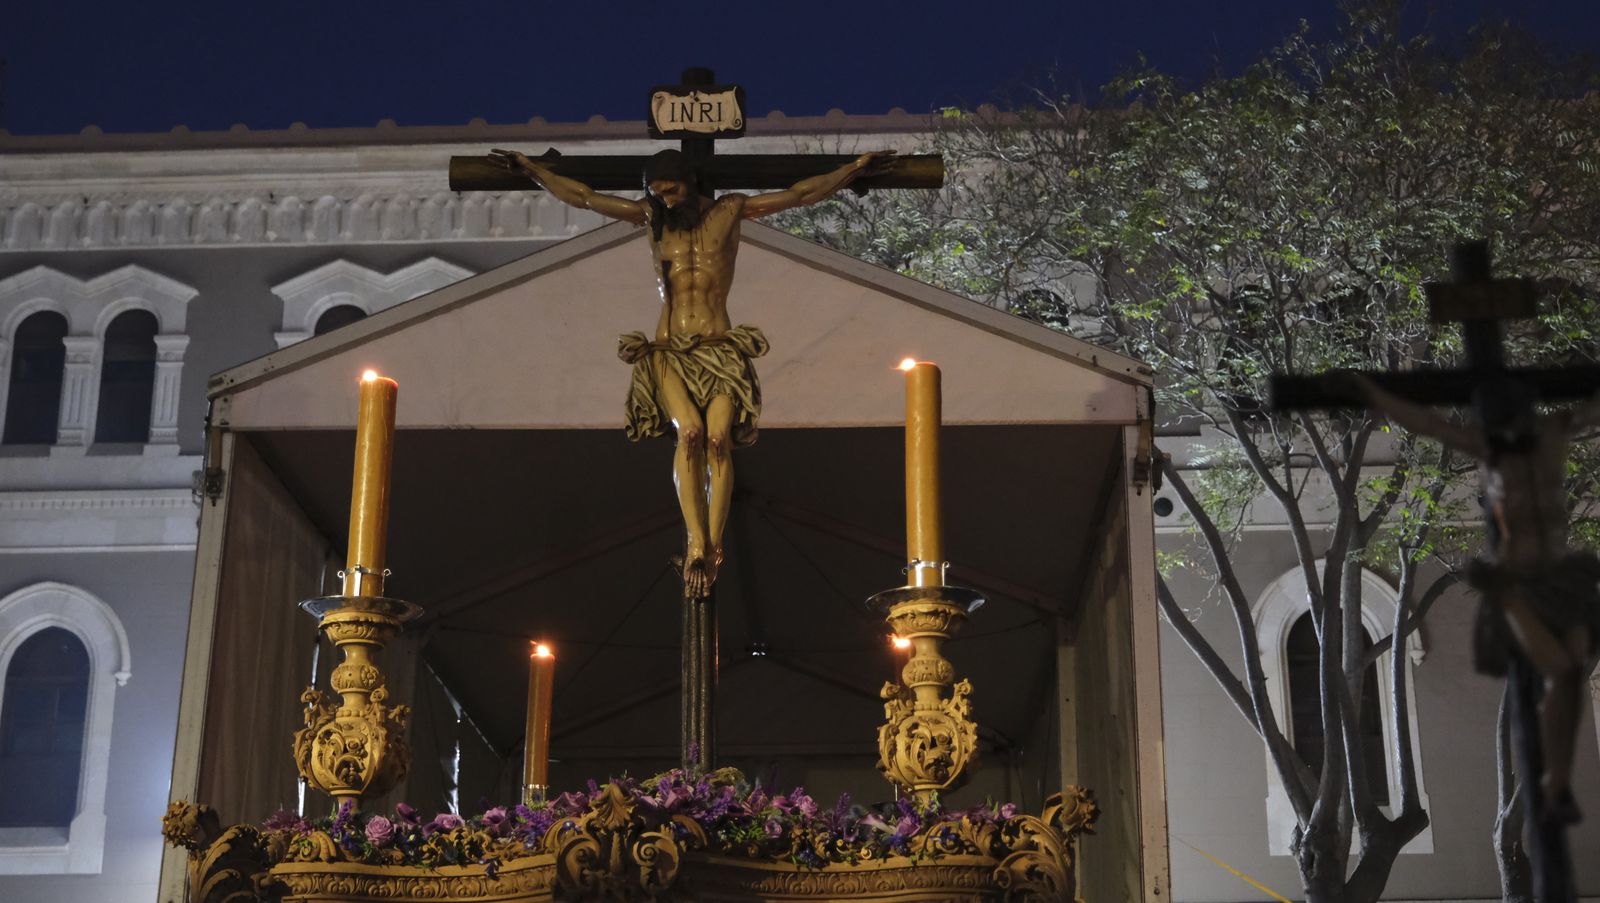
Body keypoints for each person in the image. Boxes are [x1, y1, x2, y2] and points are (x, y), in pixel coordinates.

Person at [490, 146, 894, 598]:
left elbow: (800, 194)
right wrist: (532, 171)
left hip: (720, 347)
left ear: (691, 181)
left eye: (672, 190)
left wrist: (854, 169)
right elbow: (583, 196)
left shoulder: (731, 210)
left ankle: (713, 544)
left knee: (720, 440)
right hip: (668, 350)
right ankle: (696, 540)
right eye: (656, 192)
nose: (665, 200)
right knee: (691, 435)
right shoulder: (650, 218)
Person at [1336, 371, 1600, 823]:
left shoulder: (1549, 432)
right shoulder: (1492, 445)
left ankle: (1554, 781)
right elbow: (1427, 423)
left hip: (1555, 576)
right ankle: (1551, 781)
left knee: (1568, 672)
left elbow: (1587, 412)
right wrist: (1376, 393)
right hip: (1520, 580)